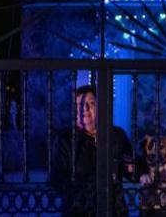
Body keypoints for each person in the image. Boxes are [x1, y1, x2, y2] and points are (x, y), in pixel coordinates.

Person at [52, 85, 139, 216]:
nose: (85, 109)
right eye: (80, 104)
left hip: (113, 210)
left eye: (91, 104)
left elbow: (132, 166)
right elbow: (57, 178)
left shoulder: (116, 135)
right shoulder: (65, 140)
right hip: (80, 211)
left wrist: (136, 170)